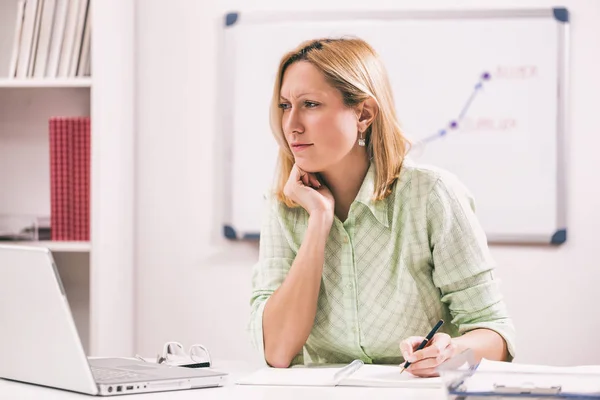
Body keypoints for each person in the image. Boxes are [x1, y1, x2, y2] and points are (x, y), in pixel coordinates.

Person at [248, 37, 515, 377]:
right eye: (285, 106)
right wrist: (319, 220)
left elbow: (495, 333)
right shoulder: (283, 206)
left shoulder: (432, 195)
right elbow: (278, 351)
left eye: (310, 104)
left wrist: (452, 350)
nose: (292, 124)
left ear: (363, 114)